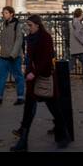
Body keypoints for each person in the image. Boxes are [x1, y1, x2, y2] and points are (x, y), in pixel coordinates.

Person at [11, 14, 69, 151]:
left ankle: (64, 134)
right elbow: (29, 58)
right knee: (28, 110)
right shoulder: (30, 38)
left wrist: (34, 73)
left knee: (55, 109)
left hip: (44, 78)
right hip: (33, 80)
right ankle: (23, 141)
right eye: (27, 25)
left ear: (37, 25)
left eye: (30, 25)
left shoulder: (46, 38)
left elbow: (47, 60)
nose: (28, 27)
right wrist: (28, 71)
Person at [0, 6, 26, 105]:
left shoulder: (17, 25)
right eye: (3, 13)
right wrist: (0, 55)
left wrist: (13, 54)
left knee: (18, 76)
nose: (4, 14)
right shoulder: (4, 24)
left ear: (11, 14)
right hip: (4, 56)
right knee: (0, 76)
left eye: (6, 13)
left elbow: (19, 40)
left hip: (14, 56)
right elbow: (3, 42)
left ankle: (20, 97)